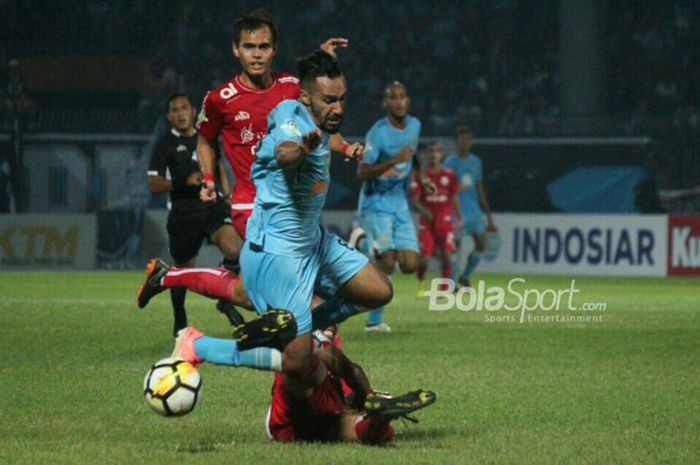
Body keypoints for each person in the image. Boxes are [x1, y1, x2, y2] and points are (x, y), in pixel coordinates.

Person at [139, 51, 391, 380]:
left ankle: (296, 327)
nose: (339, 108)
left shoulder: (317, 116)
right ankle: (197, 345)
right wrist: (302, 147)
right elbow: (286, 151)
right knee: (294, 358)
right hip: (277, 250)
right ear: (305, 97)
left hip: (311, 240)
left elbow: (322, 122)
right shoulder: (290, 117)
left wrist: (343, 145)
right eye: (330, 100)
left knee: (379, 291)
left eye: (342, 99)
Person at [196, 9, 357, 244]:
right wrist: (208, 179)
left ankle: (172, 275)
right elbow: (204, 141)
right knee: (283, 267)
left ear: (274, 50)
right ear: (235, 49)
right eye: (249, 47)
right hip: (250, 202)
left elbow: (317, 129)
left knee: (266, 278)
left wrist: (345, 148)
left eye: (264, 47)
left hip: (290, 200)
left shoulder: (292, 88)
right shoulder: (220, 99)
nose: (257, 55)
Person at [171, 327, 436, 443]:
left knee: (345, 423)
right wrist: (365, 395)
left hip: (293, 424)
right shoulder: (316, 343)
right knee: (312, 364)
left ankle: (378, 419)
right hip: (307, 407)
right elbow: (350, 369)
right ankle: (377, 416)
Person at [146, 93, 242, 336]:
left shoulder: (207, 138)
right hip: (183, 212)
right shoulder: (164, 145)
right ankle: (180, 319)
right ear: (169, 116)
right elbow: (153, 184)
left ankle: (226, 299)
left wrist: (228, 195)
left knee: (232, 248)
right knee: (183, 270)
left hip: (212, 205)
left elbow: (218, 166)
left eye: (184, 108)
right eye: (174, 110)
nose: (180, 113)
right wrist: (182, 182)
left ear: (192, 111)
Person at [354, 82, 421, 332]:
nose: (399, 102)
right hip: (376, 202)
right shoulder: (377, 133)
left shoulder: (415, 126)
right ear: (386, 103)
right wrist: (393, 160)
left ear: (408, 101)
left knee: (410, 264)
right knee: (387, 264)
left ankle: (362, 244)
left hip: (399, 202)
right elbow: (362, 171)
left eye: (403, 97)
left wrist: (421, 178)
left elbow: (413, 156)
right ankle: (374, 322)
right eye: (393, 97)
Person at [443, 125, 495, 288]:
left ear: (471, 141)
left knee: (481, 244)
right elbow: (446, 189)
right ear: (456, 142)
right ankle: (452, 283)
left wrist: (488, 215)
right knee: (455, 248)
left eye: (467, 139)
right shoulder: (450, 162)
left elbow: (480, 188)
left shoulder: (476, 162)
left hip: (474, 211)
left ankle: (465, 276)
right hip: (456, 211)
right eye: (461, 139)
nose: (464, 142)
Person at [411, 141, 460, 294]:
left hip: (444, 221)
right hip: (427, 222)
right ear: (426, 154)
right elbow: (415, 199)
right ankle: (421, 277)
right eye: (430, 151)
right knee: (424, 258)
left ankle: (444, 289)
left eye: (437, 151)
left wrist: (458, 217)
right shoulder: (421, 175)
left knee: (447, 254)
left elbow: (454, 197)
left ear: (441, 155)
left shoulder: (449, 174)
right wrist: (423, 210)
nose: (433, 154)